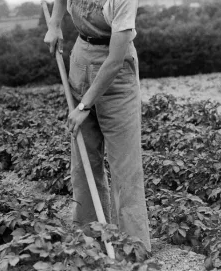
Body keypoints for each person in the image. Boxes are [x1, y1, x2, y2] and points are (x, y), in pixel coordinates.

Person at [44, 0, 151, 252]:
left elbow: (114, 61)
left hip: (116, 75)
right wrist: (54, 24)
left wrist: (84, 107)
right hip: (81, 60)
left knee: (125, 168)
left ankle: (132, 250)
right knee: (83, 163)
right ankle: (90, 243)